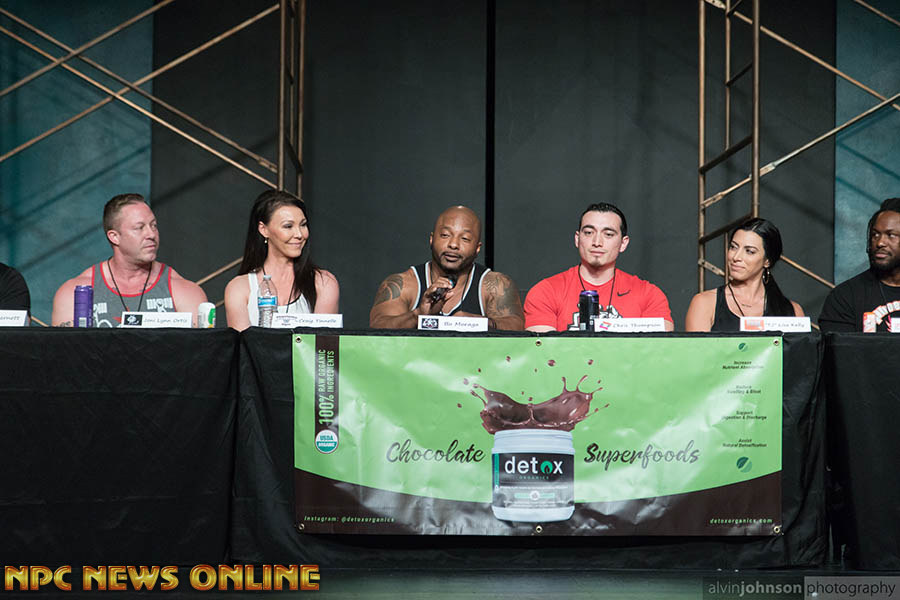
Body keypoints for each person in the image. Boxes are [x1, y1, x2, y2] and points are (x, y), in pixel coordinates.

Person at [51, 194, 208, 327]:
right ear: (114, 237)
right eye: (139, 228)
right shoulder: (73, 293)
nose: (151, 234)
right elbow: (64, 352)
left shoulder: (184, 291)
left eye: (154, 226)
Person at [524, 202, 673, 332]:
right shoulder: (546, 292)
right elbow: (544, 352)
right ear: (577, 239)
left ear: (623, 243)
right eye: (589, 233)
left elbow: (657, 351)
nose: (597, 242)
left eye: (608, 234)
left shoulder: (649, 295)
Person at [369, 205, 524, 330]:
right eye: (445, 235)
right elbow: (377, 326)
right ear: (431, 239)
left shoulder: (495, 285)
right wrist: (418, 315)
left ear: (477, 248)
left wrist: (478, 323)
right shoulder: (404, 283)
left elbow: (517, 327)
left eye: (465, 238)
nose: (453, 244)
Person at [224, 190, 339, 330]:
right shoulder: (239, 288)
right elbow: (242, 342)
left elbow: (322, 342)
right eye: (288, 226)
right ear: (264, 229)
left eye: (303, 225)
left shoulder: (323, 282)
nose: (299, 234)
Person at [685, 218, 804, 331]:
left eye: (749, 251)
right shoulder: (705, 303)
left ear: (767, 261)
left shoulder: (793, 311)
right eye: (733, 247)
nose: (736, 257)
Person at [819, 198, 900, 332]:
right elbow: (839, 345)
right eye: (875, 234)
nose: (880, 243)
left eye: (890, 235)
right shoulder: (845, 296)